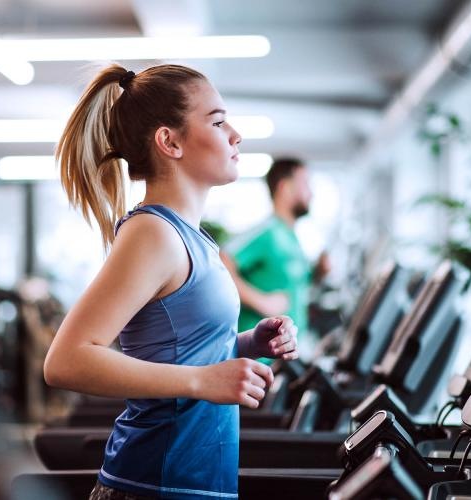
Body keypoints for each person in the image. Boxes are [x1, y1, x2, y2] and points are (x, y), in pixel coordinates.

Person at [43, 64, 299, 500]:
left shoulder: (192, 237)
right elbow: (66, 361)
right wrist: (202, 381)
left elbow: (178, 349)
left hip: (191, 485)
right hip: (151, 484)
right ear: (170, 141)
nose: (235, 134)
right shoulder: (154, 234)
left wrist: (247, 344)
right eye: (218, 122)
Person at [221, 158, 329, 361]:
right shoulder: (267, 232)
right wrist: (262, 302)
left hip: (284, 356)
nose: (311, 193)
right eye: (305, 184)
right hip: (258, 358)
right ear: (285, 187)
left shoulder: (291, 237)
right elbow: (221, 261)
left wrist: (319, 272)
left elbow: (293, 285)